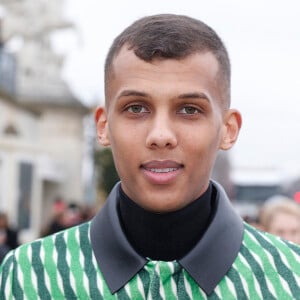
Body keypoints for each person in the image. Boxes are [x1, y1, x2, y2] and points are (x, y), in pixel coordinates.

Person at [1, 14, 300, 299]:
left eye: (189, 110)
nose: (160, 135)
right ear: (103, 126)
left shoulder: (290, 278)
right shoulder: (28, 277)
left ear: (228, 129)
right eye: (136, 108)